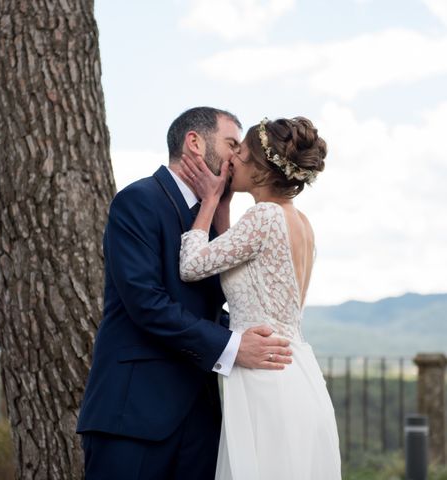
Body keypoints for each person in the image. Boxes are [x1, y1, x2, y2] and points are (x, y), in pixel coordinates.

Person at [76, 107, 293, 480]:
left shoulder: (212, 216)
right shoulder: (138, 200)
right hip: (133, 416)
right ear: (194, 142)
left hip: (201, 417)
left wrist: (248, 335)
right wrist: (232, 345)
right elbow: (147, 302)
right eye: (231, 144)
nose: (238, 156)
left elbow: (209, 304)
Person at [179, 116, 341, 479]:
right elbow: (243, 263)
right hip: (296, 372)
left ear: (263, 170)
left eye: (242, 153)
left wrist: (208, 202)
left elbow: (191, 265)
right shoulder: (300, 222)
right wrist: (223, 209)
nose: (232, 159)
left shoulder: (264, 216)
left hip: (265, 376)